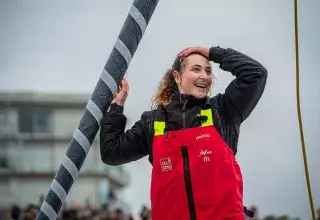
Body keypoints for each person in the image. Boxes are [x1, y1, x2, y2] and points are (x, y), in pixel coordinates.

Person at [100, 46, 268, 220]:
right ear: (177, 76)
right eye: (196, 69)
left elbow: (255, 74)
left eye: (208, 70)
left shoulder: (223, 112)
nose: (204, 76)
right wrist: (116, 107)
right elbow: (111, 152)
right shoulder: (153, 122)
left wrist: (212, 53)